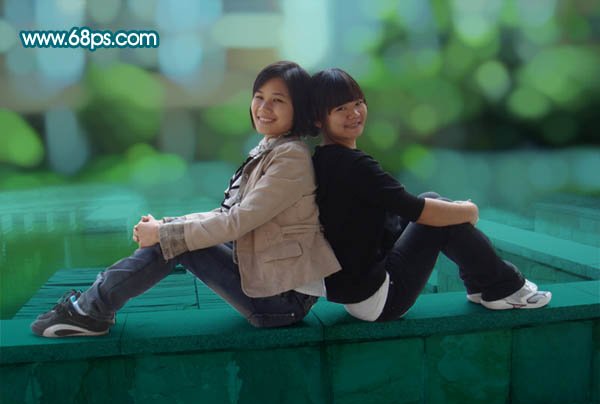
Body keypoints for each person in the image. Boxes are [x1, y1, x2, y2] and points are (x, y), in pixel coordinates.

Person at [31, 61, 340, 337]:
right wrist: (166, 225)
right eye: (259, 97)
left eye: (278, 101)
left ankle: (89, 310)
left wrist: (165, 233)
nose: (263, 107)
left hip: (283, 301)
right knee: (174, 238)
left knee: (175, 244)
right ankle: (91, 307)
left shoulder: (290, 158)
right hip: (269, 284)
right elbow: (225, 213)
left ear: (298, 109)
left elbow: (236, 222)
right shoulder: (272, 149)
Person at [310, 68, 551, 322]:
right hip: (381, 298)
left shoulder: (323, 159)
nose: (354, 113)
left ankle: (483, 285)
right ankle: (505, 287)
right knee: (437, 217)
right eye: (341, 109)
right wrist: (469, 211)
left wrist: (450, 210)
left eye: (358, 103)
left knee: (433, 199)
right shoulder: (356, 166)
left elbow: (401, 208)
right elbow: (418, 211)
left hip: (356, 293)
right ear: (317, 119)